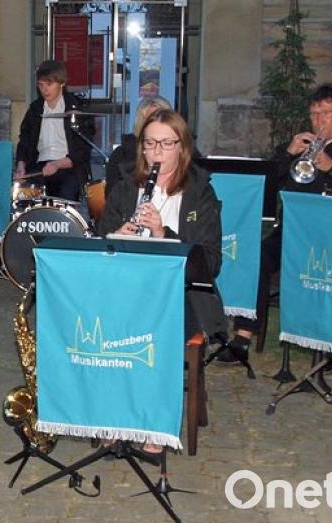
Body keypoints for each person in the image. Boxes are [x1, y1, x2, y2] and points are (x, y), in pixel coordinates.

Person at [211, 82, 332, 364]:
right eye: (314, 113)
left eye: (326, 113)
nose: (318, 120)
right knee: (257, 256)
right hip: (292, 233)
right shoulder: (298, 147)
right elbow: (266, 186)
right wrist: (287, 154)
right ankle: (242, 337)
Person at [97, 109, 226, 453]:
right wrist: (116, 235)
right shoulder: (126, 188)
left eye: (167, 144)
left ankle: (154, 420)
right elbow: (100, 242)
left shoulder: (200, 193)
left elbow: (210, 263)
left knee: (154, 327)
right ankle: (114, 414)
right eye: (151, 143)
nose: (157, 152)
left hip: (181, 293)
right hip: (128, 288)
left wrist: (162, 233)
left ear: (182, 148)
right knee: (102, 322)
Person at [14, 60, 94, 201]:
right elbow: (25, 140)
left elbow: (83, 150)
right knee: (27, 199)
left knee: (66, 194)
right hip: (39, 166)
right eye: (41, 85)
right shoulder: (35, 109)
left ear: (62, 83)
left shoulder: (76, 108)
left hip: (68, 165)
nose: (44, 90)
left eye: (49, 84)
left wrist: (57, 164)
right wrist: (21, 165)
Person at [104, 96, 172, 199]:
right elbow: (112, 197)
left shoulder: (181, 151)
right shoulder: (121, 155)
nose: (156, 125)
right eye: (151, 120)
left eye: (162, 120)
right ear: (141, 123)